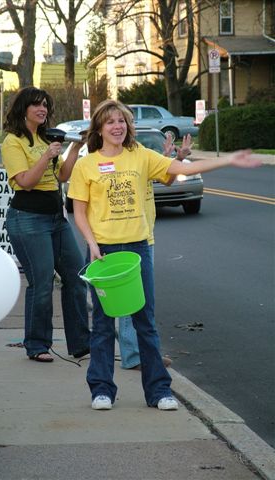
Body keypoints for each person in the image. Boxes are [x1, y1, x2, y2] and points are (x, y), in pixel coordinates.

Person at [68, 99, 261, 411]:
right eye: (111, 122)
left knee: (145, 321)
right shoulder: (86, 164)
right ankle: (101, 390)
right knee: (104, 323)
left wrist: (228, 160)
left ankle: (159, 391)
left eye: (122, 121)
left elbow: (183, 169)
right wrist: (91, 244)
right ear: (99, 129)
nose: (118, 126)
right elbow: (79, 210)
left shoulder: (141, 156)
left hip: (138, 249)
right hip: (103, 253)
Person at [1, 86, 90, 363]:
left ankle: (81, 344)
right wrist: (45, 157)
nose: (43, 110)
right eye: (36, 105)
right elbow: (25, 182)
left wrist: (74, 148)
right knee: (42, 283)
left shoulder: (46, 137)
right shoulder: (13, 142)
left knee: (76, 277)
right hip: (27, 219)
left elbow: (62, 175)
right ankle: (37, 344)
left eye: (45, 106)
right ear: (23, 109)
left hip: (56, 219)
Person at [117, 133, 193, 371]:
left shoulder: (141, 156)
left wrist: (175, 157)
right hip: (127, 238)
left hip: (145, 235)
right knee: (131, 301)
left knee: (142, 302)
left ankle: (141, 354)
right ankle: (135, 356)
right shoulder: (124, 160)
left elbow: (166, 177)